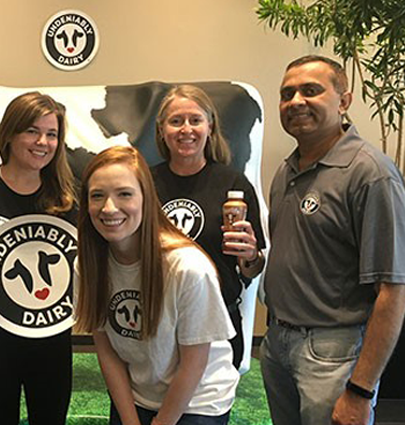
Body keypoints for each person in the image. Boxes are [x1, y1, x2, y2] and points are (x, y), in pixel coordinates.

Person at [261, 55, 405, 425]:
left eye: (311, 91)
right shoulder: (287, 170)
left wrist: (360, 391)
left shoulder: (371, 174)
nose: (295, 102)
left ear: (343, 101)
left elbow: (392, 291)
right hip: (277, 342)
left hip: (332, 352)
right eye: (286, 94)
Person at [76, 146, 239, 425]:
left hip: (197, 398)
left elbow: (194, 363)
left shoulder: (187, 268)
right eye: (97, 196)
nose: (109, 208)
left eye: (124, 194)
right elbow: (107, 351)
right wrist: (129, 420)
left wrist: (162, 421)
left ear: (146, 199)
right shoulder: (88, 266)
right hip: (140, 394)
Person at [0, 91, 77, 424]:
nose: (43, 142)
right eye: (32, 131)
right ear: (9, 134)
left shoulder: (69, 199)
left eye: (52, 134)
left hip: (52, 341)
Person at [150, 84, 266, 369]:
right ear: (162, 130)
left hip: (218, 323)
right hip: (158, 322)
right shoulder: (144, 184)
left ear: (210, 126)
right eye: (176, 121)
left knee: (207, 413)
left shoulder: (234, 185)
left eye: (195, 120)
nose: (185, 129)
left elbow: (252, 268)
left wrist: (250, 255)